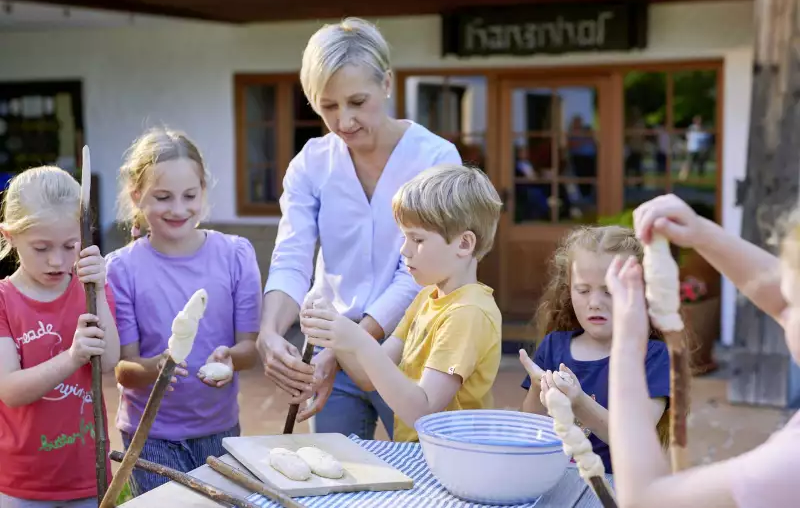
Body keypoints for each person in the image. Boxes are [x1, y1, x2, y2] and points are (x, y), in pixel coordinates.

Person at [257, 17, 462, 440]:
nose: (344, 120)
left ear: (387, 83)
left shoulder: (436, 158)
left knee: (423, 476)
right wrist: (270, 332)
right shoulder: (311, 163)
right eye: (328, 106)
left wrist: (348, 345)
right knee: (335, 480)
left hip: (412, 352)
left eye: (357, 101)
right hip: (334, 347)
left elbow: (420, 275)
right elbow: (292, 256)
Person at [606, 193, 800, 507]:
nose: (781, 311)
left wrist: (627, 345)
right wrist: (701, 233)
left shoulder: (788, 465)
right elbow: (774, 289)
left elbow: (643, 499)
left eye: (791, 304)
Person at [107, 128, 262, 495]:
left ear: (204, 192)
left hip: (219, 430)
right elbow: (124, 368)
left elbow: (249, 349)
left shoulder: (236, 256)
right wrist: (153, 368)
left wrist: (229, 359)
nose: (178, 209)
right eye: (163, 197)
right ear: (136, 196)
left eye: (190, 196)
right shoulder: (122, 269)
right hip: (150, 434)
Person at [300, 164, 503, 442]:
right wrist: (333, 331)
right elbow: (368, 378)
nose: (404, 250)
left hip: (456, 465)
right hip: (427, 459)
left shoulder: (467, 313)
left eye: (417, 239)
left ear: (464, 244)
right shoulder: (427, 298)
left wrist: (357, 340)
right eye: (404, 237)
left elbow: (422, 411)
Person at [0, 166, 120, 507]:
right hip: (21, 483)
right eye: (41, 248)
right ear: (9, 236)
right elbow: (9, 390)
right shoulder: (4, 300)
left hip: (87, 475)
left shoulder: (91, 289)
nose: (57, 260)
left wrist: (98, 288)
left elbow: (110, 361)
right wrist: (72, 357)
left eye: (70, 245)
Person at [518, 225, 671, 475]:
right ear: (569, 289)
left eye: (610, 291)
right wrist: (538, 388)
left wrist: (579, 401)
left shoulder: (651, 357)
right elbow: (531, 429)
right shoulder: (554, 346)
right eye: (583, 290)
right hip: (555, 480)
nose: (595, 303)